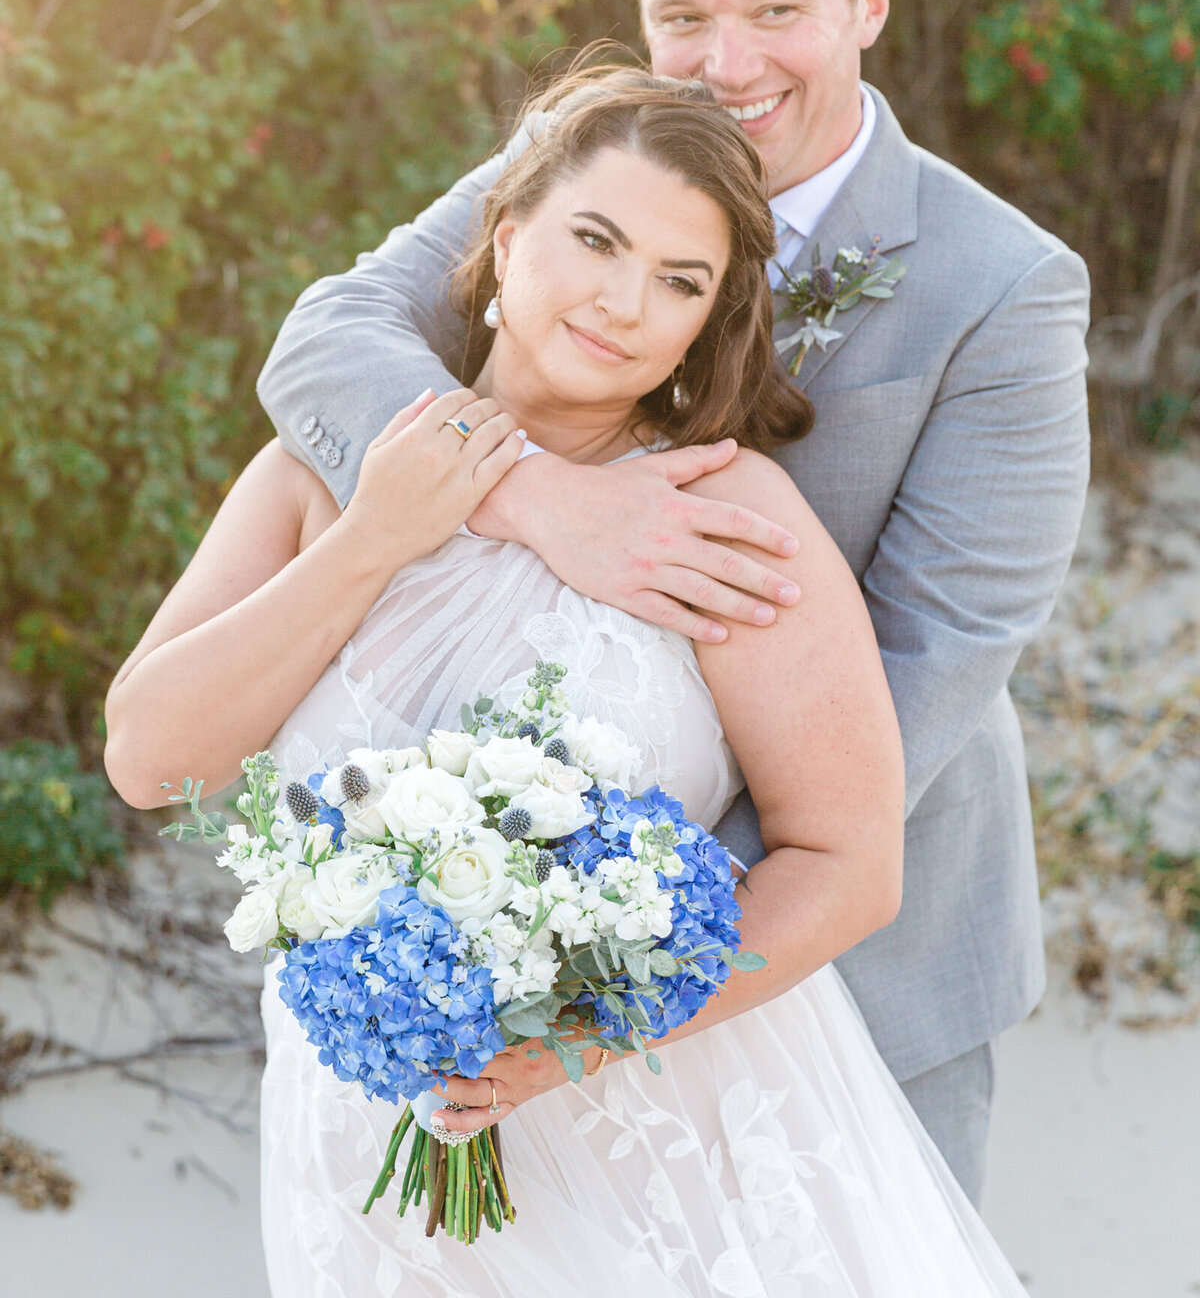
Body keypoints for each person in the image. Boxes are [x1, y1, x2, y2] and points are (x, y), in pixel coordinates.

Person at [256, 0, 1092, 1204]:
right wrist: (534, 500)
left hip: (846, 969)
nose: (727, 63)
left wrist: (592, 929)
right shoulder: (586, 173)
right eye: (684, 16)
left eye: (777, 7)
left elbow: (934, 667)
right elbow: (326, 343)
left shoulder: (1002, 289)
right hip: (517, 947)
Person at [106, 74, 1031, 1296]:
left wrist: (588, 1041)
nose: (623, 302)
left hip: (649, 1143)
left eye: (680, 281)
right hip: (360, 1131)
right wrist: (375, 539)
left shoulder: (722, 519)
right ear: (502, 238)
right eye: (595, 240)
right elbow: (151, 760)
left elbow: (847, 865)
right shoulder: (322, 475)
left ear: (707, 324)